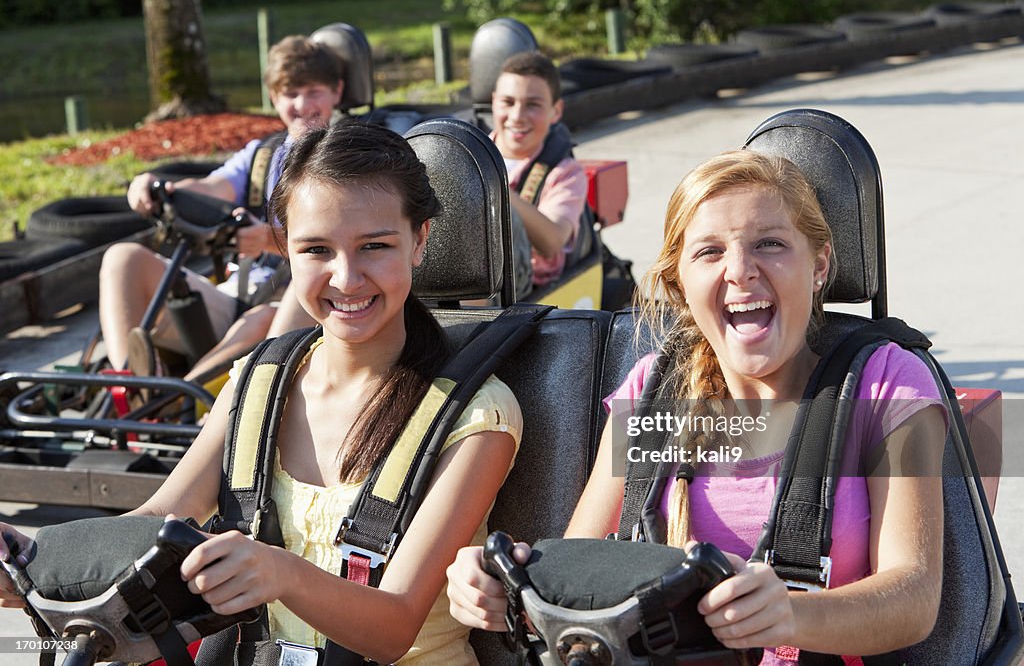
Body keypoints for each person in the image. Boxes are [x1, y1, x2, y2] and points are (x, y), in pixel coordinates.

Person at [2, 121, 523, 665]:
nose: (346, 278)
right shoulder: (259, 380)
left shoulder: (476, 414)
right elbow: (160, 517)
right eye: (317, 249)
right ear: (285, 251)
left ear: (420, 241)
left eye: (374, 246)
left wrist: (280, 573)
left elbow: (393, 626)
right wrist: (37, 559)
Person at [444, 149, 946, 663]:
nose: (740, 271)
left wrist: (791, 615)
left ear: (818, 266)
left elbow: (913, 598)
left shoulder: (886, 382)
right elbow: (578, 573)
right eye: (709, 252)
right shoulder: (650, 393)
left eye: (770, 244)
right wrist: (501, 585)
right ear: (679, 284)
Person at [99, 35, 345, 381]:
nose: (302, 103)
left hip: (308, 302)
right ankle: (132, 385)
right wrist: (153, 187)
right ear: (274, 98)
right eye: (290, 93)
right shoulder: (261, 156)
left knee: (260, 318)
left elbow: (347, 240)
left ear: (337, 91)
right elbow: (208, 188)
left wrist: (270, 239)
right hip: (241, 294)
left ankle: (188, 398)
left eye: (313, 91)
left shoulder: (348, 158)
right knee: (122, 258)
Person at [491, 51, 588, 299]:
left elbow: (553, 241)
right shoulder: (465, 153)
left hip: (522, 285)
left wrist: (494, 186)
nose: (517, 116)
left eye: (532, 105)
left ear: (556, 111)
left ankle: (463, 333)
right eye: (508, 102)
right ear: (493, 102)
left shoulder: (566, 173)